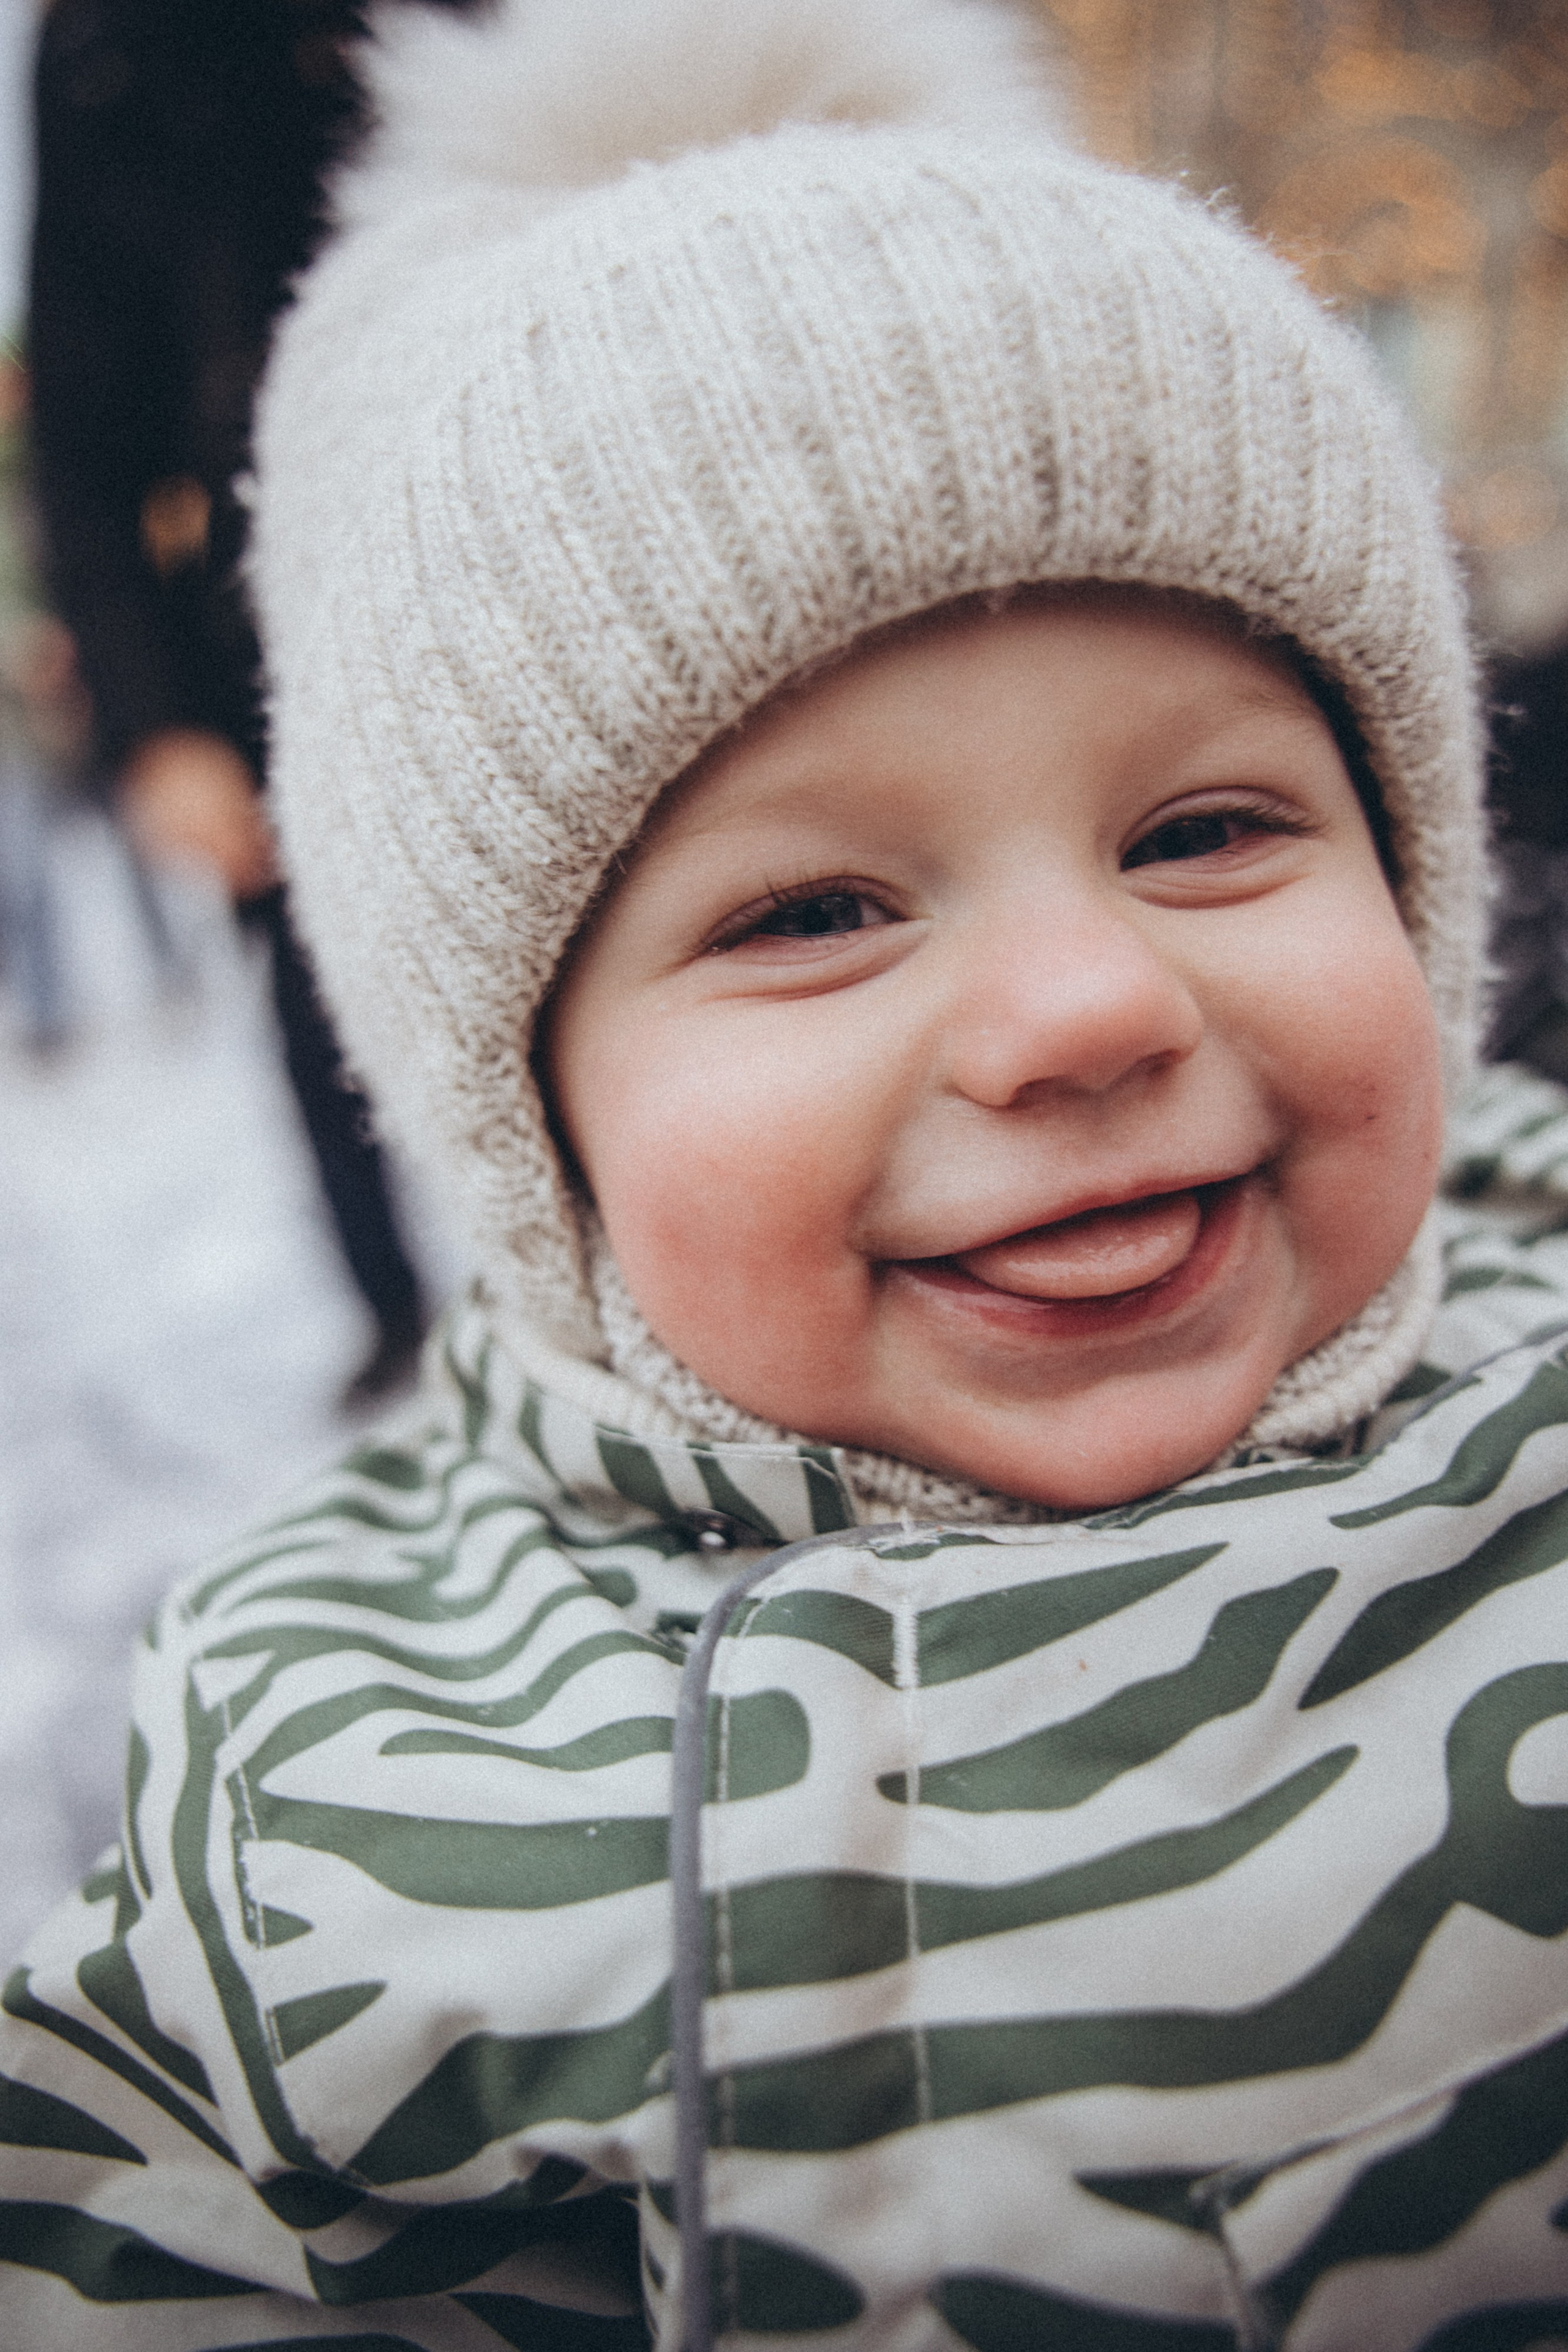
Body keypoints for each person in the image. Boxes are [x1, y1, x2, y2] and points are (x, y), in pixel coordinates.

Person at [4, 1, 1567, 2344]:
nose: (1089, 1010)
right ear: (531, 1117)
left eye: (1210, 828)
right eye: (815, 911)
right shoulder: (356, 1770)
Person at [26, 0, 458, 1400]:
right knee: (317, 1003)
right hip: (254, 627)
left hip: (497, 541)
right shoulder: (102, 42)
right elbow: (83, 436)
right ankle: (399, 1329)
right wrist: (157, 731)